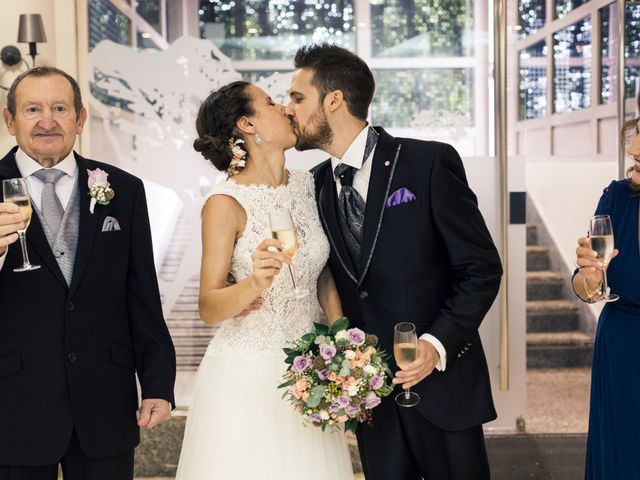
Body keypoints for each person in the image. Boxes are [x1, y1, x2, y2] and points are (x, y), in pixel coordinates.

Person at [286, 44, 503, 480]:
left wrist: (436, 344)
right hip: (371, 403)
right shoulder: (313, 186)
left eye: (297, 97)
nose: (288, 109)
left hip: (444, 389)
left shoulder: (427, 162)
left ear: (334, 100)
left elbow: (480, 269)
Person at [0, 67, 176, 479]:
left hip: (105, 404)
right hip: (13, 406)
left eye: (60, 108)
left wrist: (156, 383)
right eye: (32, 109)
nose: (48, 120)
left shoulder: (124, 190)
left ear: (80, 119)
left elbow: (142, 295)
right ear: (9, 120)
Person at [175, 81, 353, 479]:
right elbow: (208, 307)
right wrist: (254, 281)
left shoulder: (309, 185)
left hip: (310, 368)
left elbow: (322, 272)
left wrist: (342, 340)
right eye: (271, 103)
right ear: (247, 124)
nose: (286, 110)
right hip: (248, 374)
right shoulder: (225, 203)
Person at [572, 111, 640, 479]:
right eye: (638, 132)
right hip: (622, 348)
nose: (633, 148)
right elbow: (588, 290)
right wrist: (589, 275)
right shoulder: (616, 197)